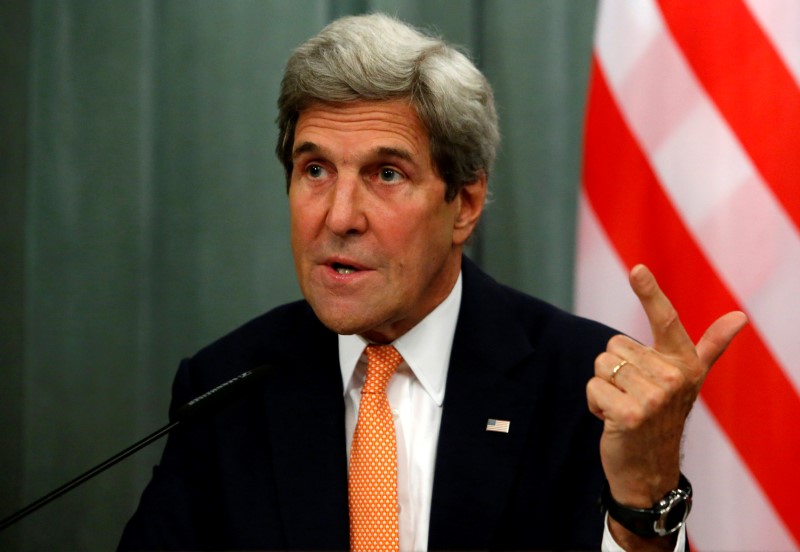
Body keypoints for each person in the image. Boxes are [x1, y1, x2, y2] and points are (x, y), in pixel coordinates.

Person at [118, 13, 747, 551]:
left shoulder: (583, 384)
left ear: (465, 204)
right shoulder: (225, 387)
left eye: (386, 174)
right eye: (315, 169)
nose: (338, 217)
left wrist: (641, 498)